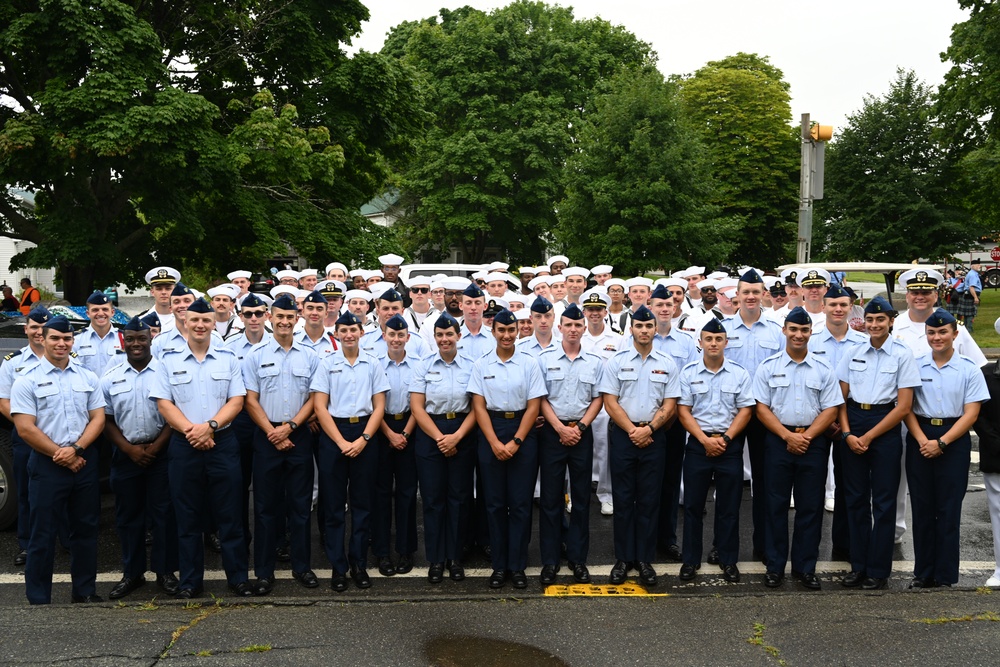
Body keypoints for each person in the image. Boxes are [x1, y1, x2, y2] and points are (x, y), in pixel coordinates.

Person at [150, 298, 251, 599]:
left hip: (222, 442)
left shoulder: (228, 357)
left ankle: (238, 578)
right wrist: (192, 431)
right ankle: (191, 581)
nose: (199, 325)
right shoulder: (168, 360)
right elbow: (163, 402)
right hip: (184, 445)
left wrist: (210, 427)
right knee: (187, 516)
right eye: (194, 319)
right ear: (184, 320)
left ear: (212, 323)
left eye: (205, 320)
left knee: (230, 515)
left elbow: (237, 400)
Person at [10, 315, 105, 604]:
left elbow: (98, 418)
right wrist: (59, 454)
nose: (61, 343)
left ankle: (85, 591)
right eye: (55, 338)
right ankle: (39, 597)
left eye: (66, 338)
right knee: (43, 534)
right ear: (43, 338)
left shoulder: (87, 377)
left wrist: (76, 449)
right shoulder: (27, 379)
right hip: (46, 465)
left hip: (83, 462)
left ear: (72, 341)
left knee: (85, 531)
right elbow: (25, 427)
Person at [754, 307, 842, 590]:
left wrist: (807, 437)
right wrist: (786, 436)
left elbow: (831, 408)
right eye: (793, 329)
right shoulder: (768, 367)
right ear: (784, 331)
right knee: (775, 505)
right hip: (778, 441)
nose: (798, 335)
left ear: (810, 333)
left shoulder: (823, 368)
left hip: (813, 443)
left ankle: (806, 567)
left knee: (810, 507)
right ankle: (775, 566)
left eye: (804, 330)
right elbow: (761, 407)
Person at [837, 296, 921, 590]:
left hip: (885, 425)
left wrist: (869, 436)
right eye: (870, 320)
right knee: (855, 500)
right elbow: (841, 397)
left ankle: (878, 570)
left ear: (890, 322)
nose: (874, 325)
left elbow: (904, 406)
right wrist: (847, 434)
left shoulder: (901, 353)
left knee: (884, 503)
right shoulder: (852, 351)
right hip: (854, 419)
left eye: (880, 320)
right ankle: (858, 566)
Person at [902, 308, 988, 588]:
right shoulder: (914, 365)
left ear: (955, 333)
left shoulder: (968, 369)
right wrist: (922, 440)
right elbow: (906, 408)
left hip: (954, 438)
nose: (936, 337)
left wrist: (942, 442)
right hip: (920, 435)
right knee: (922, 507)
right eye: (931, 333)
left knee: (949, 508)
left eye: (942, 332)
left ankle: (946, 575)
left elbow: (971, 414)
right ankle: (923, 572)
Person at [242, 294, 321, 595]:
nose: (285, 322)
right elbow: (250, 400)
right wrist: (272, 432)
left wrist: (289, 428)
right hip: (265, 436)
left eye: (290, 317)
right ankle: (264, 572)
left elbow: (315, 397)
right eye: (279, 316)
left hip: (298, 433)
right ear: (269, 317)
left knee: (300, 507)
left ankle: (302, 567)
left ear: (297, 318)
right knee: (264, 508)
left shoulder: (310, 356)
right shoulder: (255, 355)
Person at [600, 305, 680, 587]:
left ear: (655, 329)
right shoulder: (616, 361)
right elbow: (610, 401)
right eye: (639, 326)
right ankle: (623, 559)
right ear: (630, 329)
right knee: (623, 499)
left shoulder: (668, 363)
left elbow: (670, 404)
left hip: (654, 435)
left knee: (648, 499)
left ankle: (644, 559)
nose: (644, 331)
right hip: (624, 434)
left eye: (649, 326)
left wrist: (649, 429)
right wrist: (633, 430)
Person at [310, 311, 389, 591]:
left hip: (365, 435)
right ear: (337, 334)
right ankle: (338, 567)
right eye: (343, 330)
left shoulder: (373, 363)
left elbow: (379, 405)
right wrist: (341, 442)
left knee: (362, 505)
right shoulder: (326, 363)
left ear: (361, 332)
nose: (348, 335)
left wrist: (364, 437)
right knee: (333, 507)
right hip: (334, 435)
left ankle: (358, 564)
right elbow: (320, 406)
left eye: (353, 330)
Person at [468, 309, 547, 589]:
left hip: (522, 434)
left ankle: (518, 565)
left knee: (521, 504)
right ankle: (499, 565)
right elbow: (478, 406)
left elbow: (534, 405)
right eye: (501, 330)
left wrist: (515, 442)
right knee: (495, 504)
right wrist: (494, 442)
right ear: (493, 332)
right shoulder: (481, 365)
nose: (506, 335)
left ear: (517, 331)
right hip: (491, 430)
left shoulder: (529, 363)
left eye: (511, 330)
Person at [102, 316, 179, 599]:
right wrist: (128, 449)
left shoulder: (166, 372)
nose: (136, 344)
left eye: (142, 339)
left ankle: (165, 572)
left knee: (163, 516)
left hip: (162, 454)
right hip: (126, 455)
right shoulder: (110, 377)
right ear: (123, 341)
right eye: (131, 339)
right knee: (128, 517)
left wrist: (156, 447)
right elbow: (106, 420)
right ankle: (132, 573)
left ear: (151, 340)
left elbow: (175, 416)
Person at [677, 319, 754, 583]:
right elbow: (683, 410)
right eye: (708, 339)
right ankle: (690, 560)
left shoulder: (739, 373)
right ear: (700, 342)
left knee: (729, 507)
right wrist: (704, 439)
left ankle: (727, 558)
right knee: (693, 507)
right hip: (698, 446)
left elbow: (746, 409)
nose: (713, 343)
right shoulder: (688, 372)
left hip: (729, 446)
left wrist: (726, 437)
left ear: (726, 343)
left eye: (718, 339)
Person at [537, 304, 604, 585]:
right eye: (568, 325)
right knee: (550, 499)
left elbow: (598, 398)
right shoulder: (544, 359)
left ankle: (578, 558)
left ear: (584, 328)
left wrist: (579, 427)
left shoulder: (595, 361)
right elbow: (540, 397)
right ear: (559, 328)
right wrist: (560, 428)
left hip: (581, 432)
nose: (574, 330)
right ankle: (550, 560)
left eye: (578, 325)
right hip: (553, 433)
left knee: (580, 499)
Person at [410, 313, 479, 583]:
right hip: (431, 434)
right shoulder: (423, 365)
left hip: (463, 432)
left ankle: (455, 556)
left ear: (458, 336)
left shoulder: (472, 366)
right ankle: (436, 558)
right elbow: (417, 406)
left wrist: (457, 437)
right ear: (434, 337)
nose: (444, 339)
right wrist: (441, 438)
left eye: (449, 334)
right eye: (440, 335)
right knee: (433, 500)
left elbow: (477, 407)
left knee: (459, 499)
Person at [723, 270, 783, 563]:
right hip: (729, 414)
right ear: (737, 294)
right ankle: (723, 546)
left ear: (764, 295)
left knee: (765, 482)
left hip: (763, 414)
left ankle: (764, 545)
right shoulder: (723, 328)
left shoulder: (776, 330)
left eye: (756, 292)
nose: (750, 297)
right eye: (745, 292)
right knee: (728, 484)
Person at [808, 285, 869, 561]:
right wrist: (825, 418)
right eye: (833, 304)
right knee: (813, 486)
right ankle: (809, 548)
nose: (838, 309)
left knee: (850, 486)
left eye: (844, 305)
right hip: (817, 421)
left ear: (851, 308)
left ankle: (845, 546)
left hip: (849, 421)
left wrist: (839, 420)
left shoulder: (862, 342)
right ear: (823, 306)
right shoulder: (811, 340)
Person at [0, 306, 51, 567]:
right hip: (25, 437)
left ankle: (63, 542)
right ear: (26, 329)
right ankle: (28, 545)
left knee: (63, 491)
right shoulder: (13, 362)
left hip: (58, 438)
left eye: (44, 328)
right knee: (26, 492)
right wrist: (28, 426)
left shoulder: (67, 358)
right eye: (34, 327)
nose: (39, 332)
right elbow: (4, 403)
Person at [373, 315, 420, 578]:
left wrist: (404, 433)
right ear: (384, 337)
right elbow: (373, 404)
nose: (396, 339)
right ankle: (381, 551)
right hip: (381, 429)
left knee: (406, 492)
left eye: (401, 335)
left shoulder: (418, 365)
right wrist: (390, 434)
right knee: (380, 494)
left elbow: (418, 404)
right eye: (392, 334)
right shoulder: (375, 364)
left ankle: (405, 549)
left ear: (408, 338)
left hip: (409, 429)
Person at [580, 291, 621, 517]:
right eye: (590, 310)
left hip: (606, 405)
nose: (594, 313)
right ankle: (575, 495)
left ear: (606, 311)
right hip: (581, 402)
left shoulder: (618, 339)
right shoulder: (577, 337)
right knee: (578, 451)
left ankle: (606, 495)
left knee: (605, 452)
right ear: (584, 312)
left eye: (598, 309)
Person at [974, 353, 1000, 588]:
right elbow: (978, 415)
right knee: (998, 512)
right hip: (996, 453)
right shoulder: (986, 375)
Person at [74, 290, 125, 379]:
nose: (101, 313)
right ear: (88, 314)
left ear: (112, 312)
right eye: (95, 310)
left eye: (105, 309)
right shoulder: (76, 340)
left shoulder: (124, 338)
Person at [136, 267, 181, 332]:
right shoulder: (141, 320)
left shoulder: (184, 318)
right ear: (152, 292)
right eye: (159, 289)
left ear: (174, 291)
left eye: (168, 288)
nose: (163, 292)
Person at [953, 259, 982, 332]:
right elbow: (971, 287)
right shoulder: (972, 274)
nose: (979, 266)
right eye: (978, 265)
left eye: (979, 264)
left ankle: (965, 329)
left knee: (966, 314)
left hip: (968, 295)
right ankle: (969, 329)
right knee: (970, 314)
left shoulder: (973, 273)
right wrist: (975, 297)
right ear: (972, 266)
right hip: (970, 295)